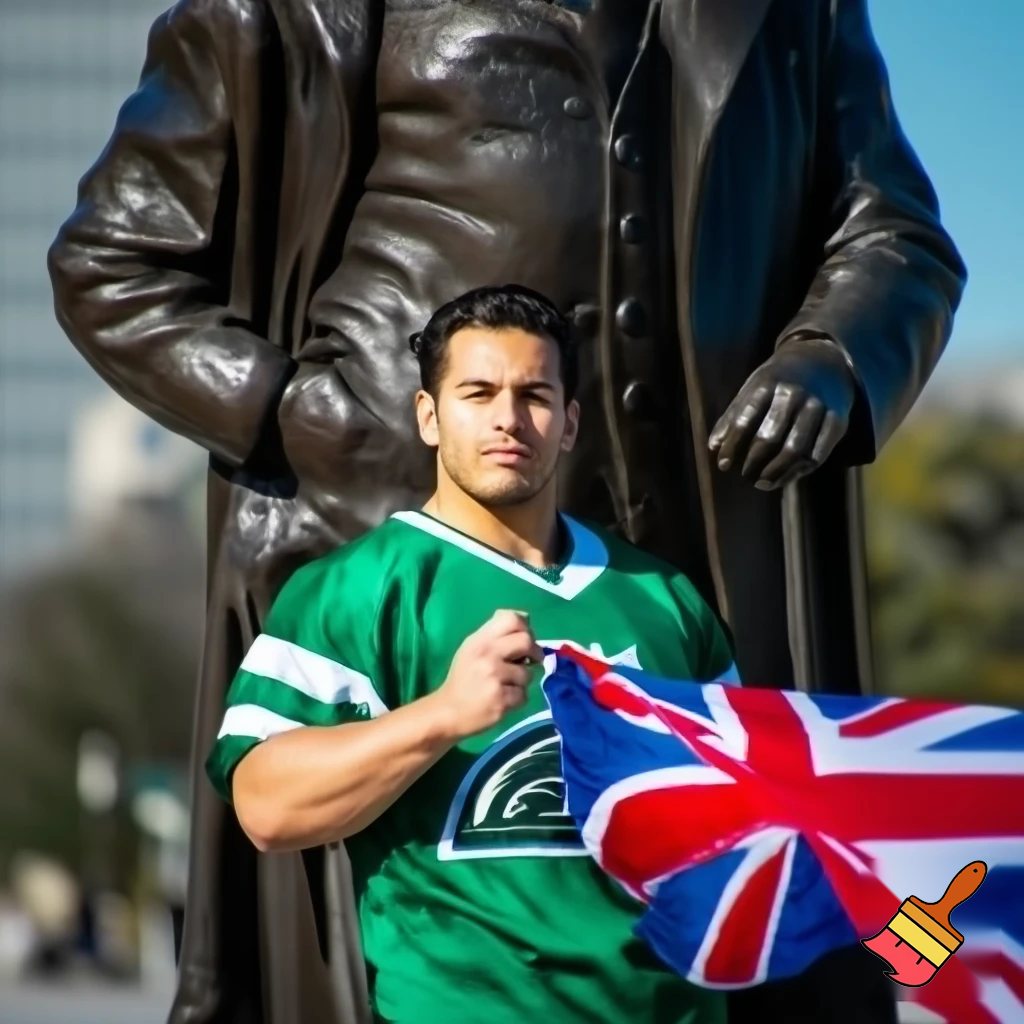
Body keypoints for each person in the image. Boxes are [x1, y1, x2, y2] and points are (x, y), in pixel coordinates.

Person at [47, 1, 962, 1019]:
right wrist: (303, 418)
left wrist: (832, 356)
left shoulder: (800, 9)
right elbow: (111, 262)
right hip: (386, 526)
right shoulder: (354, 596)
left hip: (698, 542)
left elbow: (895, 230)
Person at [207, 286, 739, 1023]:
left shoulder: (665, 598)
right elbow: (264, 805)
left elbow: (748, 818)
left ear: (571, 423)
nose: (508, 419)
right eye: (478, 392)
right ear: (429, 416)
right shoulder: (353, 592)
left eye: (535, 395)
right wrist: (442, 716)